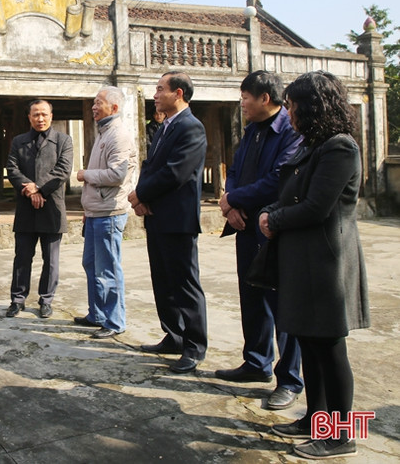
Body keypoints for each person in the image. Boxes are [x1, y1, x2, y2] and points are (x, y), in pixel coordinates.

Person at [261, 71, 369, 460]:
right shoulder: (313, 146)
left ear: (313, 107)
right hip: (304, 261)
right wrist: (273, 211)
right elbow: (289, 194)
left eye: (292, 106)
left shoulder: (340, 148)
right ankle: (317, 419)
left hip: (328, 264)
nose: (288, 113)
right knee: (310, 342)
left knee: (330, 349)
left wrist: (274, 220)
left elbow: (316, 207)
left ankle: (343, 435)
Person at [215, 71, 304, 410]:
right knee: (251, 295)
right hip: (245, 224)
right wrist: (230, 199)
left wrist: (234, 199)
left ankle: (290, 379)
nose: (242, 103)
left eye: (245, 97)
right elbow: (235, 169)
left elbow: (277, 181)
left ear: (264, 98)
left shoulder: (290, 131)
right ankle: (256, 362)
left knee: (282, 305)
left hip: (272, 226)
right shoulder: (251, 130)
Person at [128, 71, 208, 374]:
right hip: (156, 215)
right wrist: (142, 196)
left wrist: (139, 193)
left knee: (185, 284)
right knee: (163, 281)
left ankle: (194, 346)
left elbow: (176, 172)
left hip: (178, 218)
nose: (155, 94)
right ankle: (173, 335)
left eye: (160, 89)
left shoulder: (191, 128)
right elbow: (151, 167)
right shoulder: (163, 127)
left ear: (178, 93)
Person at [74, 86, 137, 338]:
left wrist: (84, 175)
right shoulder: (103, 132)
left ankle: (114, 321)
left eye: (98, 103)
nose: (93, 107)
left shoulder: (118, 135)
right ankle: (97, 314)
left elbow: (117, 175)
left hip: (110, 213)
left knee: (107, 268)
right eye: (93, 102)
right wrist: (88, 207)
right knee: (91, 264)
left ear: (114, 107)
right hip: (96, 211)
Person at [5, 99, 73, 318]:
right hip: (26, 206)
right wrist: (31, 191)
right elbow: (12, 168)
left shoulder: (63, 140)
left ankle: (46, 299)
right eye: (36, 115)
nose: (40, 118)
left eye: (44, 114)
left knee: (51, 259)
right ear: (29, 117)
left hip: (51, 207)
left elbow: (63, 171)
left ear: (51, 116)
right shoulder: (19, 141)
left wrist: (40, 189)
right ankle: (17, 299)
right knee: (22, 257)